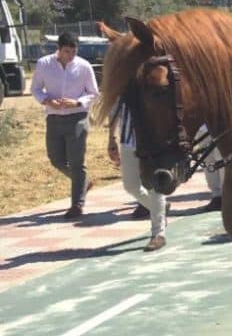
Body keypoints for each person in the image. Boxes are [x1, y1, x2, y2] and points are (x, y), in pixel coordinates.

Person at [30, 31, 98, 219]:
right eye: (67, 51)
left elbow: (94, 93)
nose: (71, 56)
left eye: (74, 52)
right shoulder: (44, 64)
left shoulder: (84, 66)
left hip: (77, 118)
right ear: (58, 49)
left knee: (77, 162)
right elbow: (35, 88)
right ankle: (83, 182)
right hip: (53, 119)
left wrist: (77, 102)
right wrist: (46, 100)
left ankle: (77, 204)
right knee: (56, 159)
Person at [109, 101, 169, 250]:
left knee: (154, 186)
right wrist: (111, 139)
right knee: (130, 186)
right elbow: (114, 111)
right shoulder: (121, 86)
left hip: (153, 142)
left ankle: (158, 234)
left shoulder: (153, 81)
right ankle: (159, 208)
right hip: (127, 142)